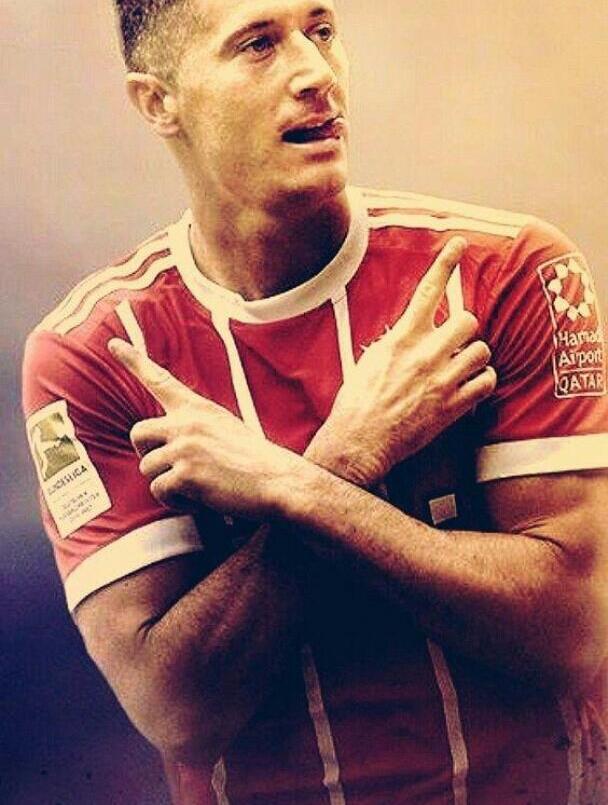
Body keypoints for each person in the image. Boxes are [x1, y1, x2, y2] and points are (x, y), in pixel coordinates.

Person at [22, 0, 608, 802]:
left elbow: (575, 631)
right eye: (259, 44)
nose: (315, 72)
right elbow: (178, 708)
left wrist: (297, 485)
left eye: (322, 31)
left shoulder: (510, 270)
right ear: (159, 101)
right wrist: (347, 456)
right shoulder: (89, 355)